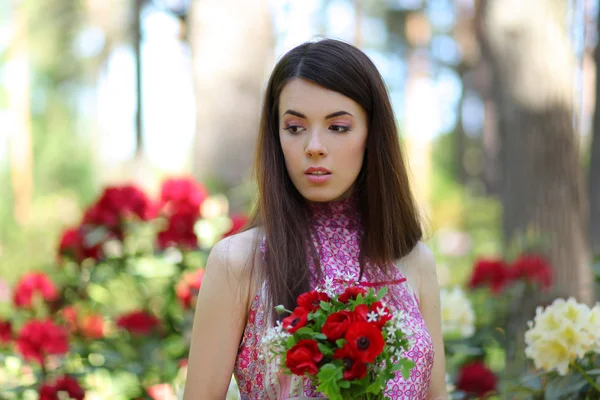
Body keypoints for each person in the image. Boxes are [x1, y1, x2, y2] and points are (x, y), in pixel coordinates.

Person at [183, 38, 448, 400]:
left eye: (338, 127)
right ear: (276, 137)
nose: (314, 146)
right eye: (295, 127)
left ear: (372, 135)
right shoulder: (238, 261)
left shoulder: (413, 262)